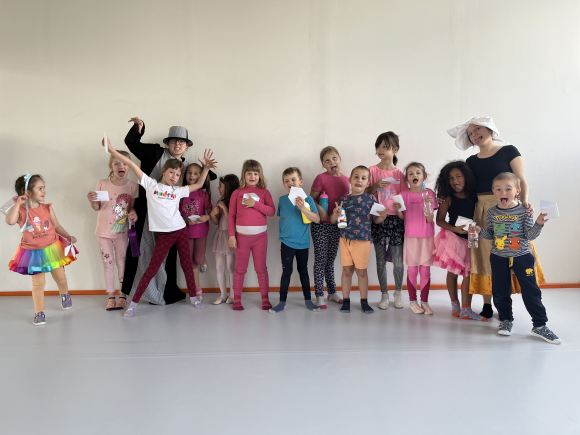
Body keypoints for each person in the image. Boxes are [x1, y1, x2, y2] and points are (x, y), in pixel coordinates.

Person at [102, 138, 217, 317]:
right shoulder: (151, 185)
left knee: (187, 266)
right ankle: (133, 305)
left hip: (180, 231)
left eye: (177, 175)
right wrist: (111, 150)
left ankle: (194, 298)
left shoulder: (177, 190)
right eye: (171, 172)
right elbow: (131, 164)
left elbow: (199, 185)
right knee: (152, 269)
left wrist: (207, 168)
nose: (174, 177)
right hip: (164, 235)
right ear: (163, 171)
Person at [447, 117, 545, 319]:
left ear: (490, 129)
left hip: (509, 209)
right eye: (470, 133)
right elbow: (465, 188)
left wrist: (524, 202)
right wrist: (445, 197)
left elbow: (522, 181)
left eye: (478, 129)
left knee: (516, 249)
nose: (474, 134)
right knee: (486, 257)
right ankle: (487, 304)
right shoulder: (470, 162)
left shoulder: (509, 151)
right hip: (482, 211)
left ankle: (510, 306)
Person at [474, 173, 560, 344]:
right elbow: (491, 235)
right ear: (493, 191)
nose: (503, 192)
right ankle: (506, 320)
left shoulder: (524, 211)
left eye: (508, 189)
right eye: (498, 189)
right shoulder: (492, 213)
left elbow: (530, 235)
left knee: (531, 291)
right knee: (500, 292)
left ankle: (540, 325)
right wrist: (479, 231)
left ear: (517, 191)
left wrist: (539, 223)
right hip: (498, 258)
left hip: (522, 257)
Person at [6, 173, 78, 325]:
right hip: (33, 253)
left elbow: (56, 226)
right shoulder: (20, 211)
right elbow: (10, 221)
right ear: (27, 192)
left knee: (60, 277)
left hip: (52, 248)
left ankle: (64, 293)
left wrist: (68, 236)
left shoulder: (47, 208)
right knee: (38, 284)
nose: (44, 191)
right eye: (40, 188)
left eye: (43, 188)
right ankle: (39, 312)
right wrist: (18, 204)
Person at [433, 161, 486, 321]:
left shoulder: (475, 195)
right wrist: (455, 229)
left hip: (472, 237)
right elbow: (439, 220)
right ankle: (455, 305)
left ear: (466, 176)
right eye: (450, 178)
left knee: (468, 274)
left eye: (458, 176)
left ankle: (466, 309)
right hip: (454, 238)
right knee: (453, 272)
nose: (455, 180)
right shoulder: (447, 198)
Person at [330, 166, 388, 314]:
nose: (359, 180)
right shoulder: (343, 200)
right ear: (350, 180)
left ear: (368, 183)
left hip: (363, 241)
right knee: (347, 270)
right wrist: (335, 214)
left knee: (362, 272)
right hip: (345, 240)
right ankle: (346, 301)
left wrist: (382, 217)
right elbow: (332, 221)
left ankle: (364, 301)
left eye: (363, 178)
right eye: (356, 177)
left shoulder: (371, 199)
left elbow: (375, 221)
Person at [87, 151, 139, 310]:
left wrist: (133, 213)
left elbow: (132, 208)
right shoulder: (102, 183)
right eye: (117, 163)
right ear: (111, 166)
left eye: (125, 163)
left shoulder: (133, 186)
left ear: (130, 167)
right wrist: (91, 200)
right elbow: (97, 207)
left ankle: (123, 296)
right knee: (107, 263)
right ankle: (111, 296)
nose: (121, 166)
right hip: (103, 232)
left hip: (121, 234)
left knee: (122, 263)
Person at [269, 167, 320, 313]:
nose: (290, 182)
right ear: (283, 184)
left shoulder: (308, 199)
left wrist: (303, 208)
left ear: (300, 182)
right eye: (286, 181)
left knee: (303, 272)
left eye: (293, 179)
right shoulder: (282, 200)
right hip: (286, 242)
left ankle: (308, 301)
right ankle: (282, 302)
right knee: (286, 272)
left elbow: (317, 219)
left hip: (303, 243)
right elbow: (282, 217)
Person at [228, 160, 275, 311]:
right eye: (249, 173)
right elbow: (231, 215)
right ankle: (237, 299)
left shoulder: (265, 192)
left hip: (260, 238)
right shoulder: (237, 193)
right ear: (244, 175)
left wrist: (255, 204)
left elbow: (271, 211)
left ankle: (265, 299)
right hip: (241, 238)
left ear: (260, 175)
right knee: (240, 269)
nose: (252, 176)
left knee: (261, 269)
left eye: (256, 173)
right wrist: (231, 235)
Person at [367, 132, 407, 310]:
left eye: (385, 146)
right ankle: (384, 294)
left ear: (395, 149)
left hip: (396, 220)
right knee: (380, 260)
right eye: (378, 146)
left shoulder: (400, 174)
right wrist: (375, 186)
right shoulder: (372, 171)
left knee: (398, 261)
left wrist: (401, 211)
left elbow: (405, 198)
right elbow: (365, 194)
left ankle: (398, 293)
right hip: (378, 218)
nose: (380, 150)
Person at [309, 146, 350, 308]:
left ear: (340, 159)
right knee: (320, 260)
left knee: (330, 260)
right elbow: (311, 199)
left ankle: (332, 292)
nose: (331, 162)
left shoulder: (346, 180)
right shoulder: (320, 178)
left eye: (334, 158)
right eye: (327, 160)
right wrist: (320, 208)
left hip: (337, 225)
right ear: (323, 164)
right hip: (320, 225)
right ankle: (319, 294)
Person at [396, 162, 438, 314]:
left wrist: (429, 206)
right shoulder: (403, 195)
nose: (415, 175)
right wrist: (398, 210)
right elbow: (403, 217)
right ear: (407, 178)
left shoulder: (430, 194)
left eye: (418, 172)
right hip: (411, 237)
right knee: (412, 271)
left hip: (427, 237)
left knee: (425, 272)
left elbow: (430, 219)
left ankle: (425, 302)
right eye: (411, 173)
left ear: (424, 176)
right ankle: (413, 301)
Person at [180, 163, 213, 307]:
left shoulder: (203, 195)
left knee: (198, 259)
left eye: (196, 173)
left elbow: (211, 212)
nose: (192, 175)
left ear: (201, 176)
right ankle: (197, 289)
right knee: (191, 262)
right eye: (189, 172)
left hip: (201, 232)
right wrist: (186, 220)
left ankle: (202, 259)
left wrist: (208, 217)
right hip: (185, 232)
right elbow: (175, 214)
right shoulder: (180, 192)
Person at [209, 174, 239, 304]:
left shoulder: (236, 202)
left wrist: (224, 208)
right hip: (220, 236)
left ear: (228, 187)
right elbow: (217, 222)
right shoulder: (220, 202)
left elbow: (233, 222)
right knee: (219, 267)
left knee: (231, 267)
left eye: (220, 186)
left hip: (231, 237)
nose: (218, 188)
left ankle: (233, 294)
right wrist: (212, 215)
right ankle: (223, 294)